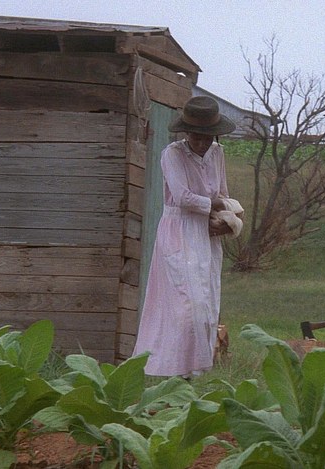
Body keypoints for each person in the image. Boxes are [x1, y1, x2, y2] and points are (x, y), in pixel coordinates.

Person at [133, 96, 238, 378]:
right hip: (179, 231)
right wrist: (216, 204)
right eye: (195, 136)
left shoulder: (217, 153)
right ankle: (168, 369)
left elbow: (223, 193)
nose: (201, 142)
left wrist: (224, 221)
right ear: (186, 132)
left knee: (205, 303)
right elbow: (182, 197)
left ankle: (191, 372)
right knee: (184, 307)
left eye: (207, 136)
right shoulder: (173, 154)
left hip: (206, 233)